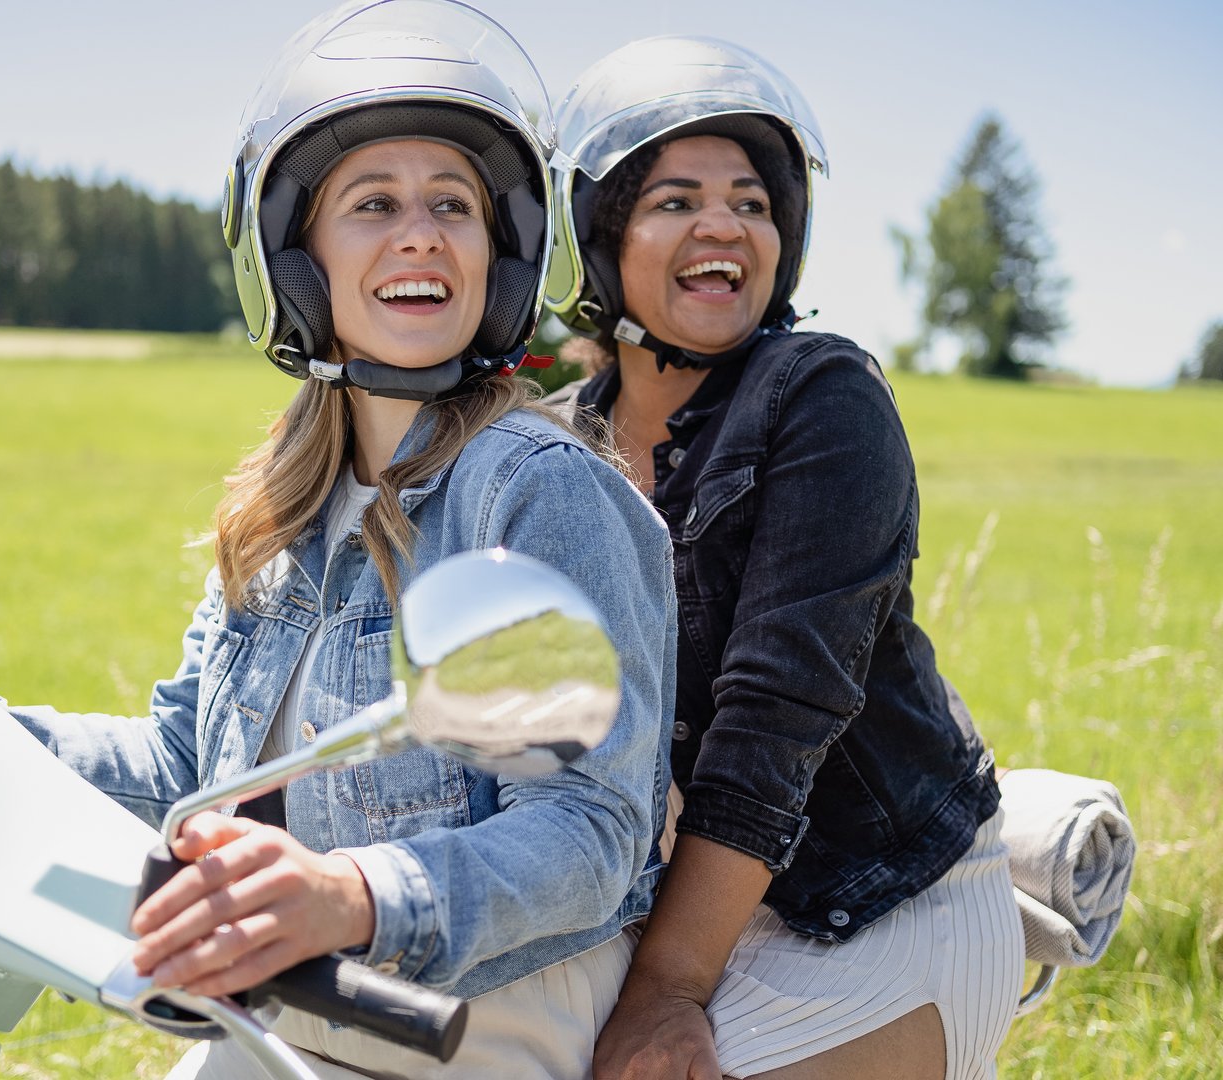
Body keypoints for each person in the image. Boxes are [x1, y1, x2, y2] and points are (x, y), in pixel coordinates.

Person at [3, 4, 676, 1077]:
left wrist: (353, 895)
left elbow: (588, 833)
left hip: (469, 1027)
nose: (421, 231)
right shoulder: (291, 496)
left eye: (452, 203)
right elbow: (183, 765)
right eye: (374, 203)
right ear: (299, 261)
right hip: (290, 1011)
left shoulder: (538, 494)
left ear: (499, 256)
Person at [546, 37, 1024, 1080]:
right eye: (675, 200)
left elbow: (776, 720)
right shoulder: (550, 444)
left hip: (873, 900)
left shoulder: (822, 398)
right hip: (665, 907)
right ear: (598, 238)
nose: (724, 222)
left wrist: (667, 993)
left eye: (752, 203)